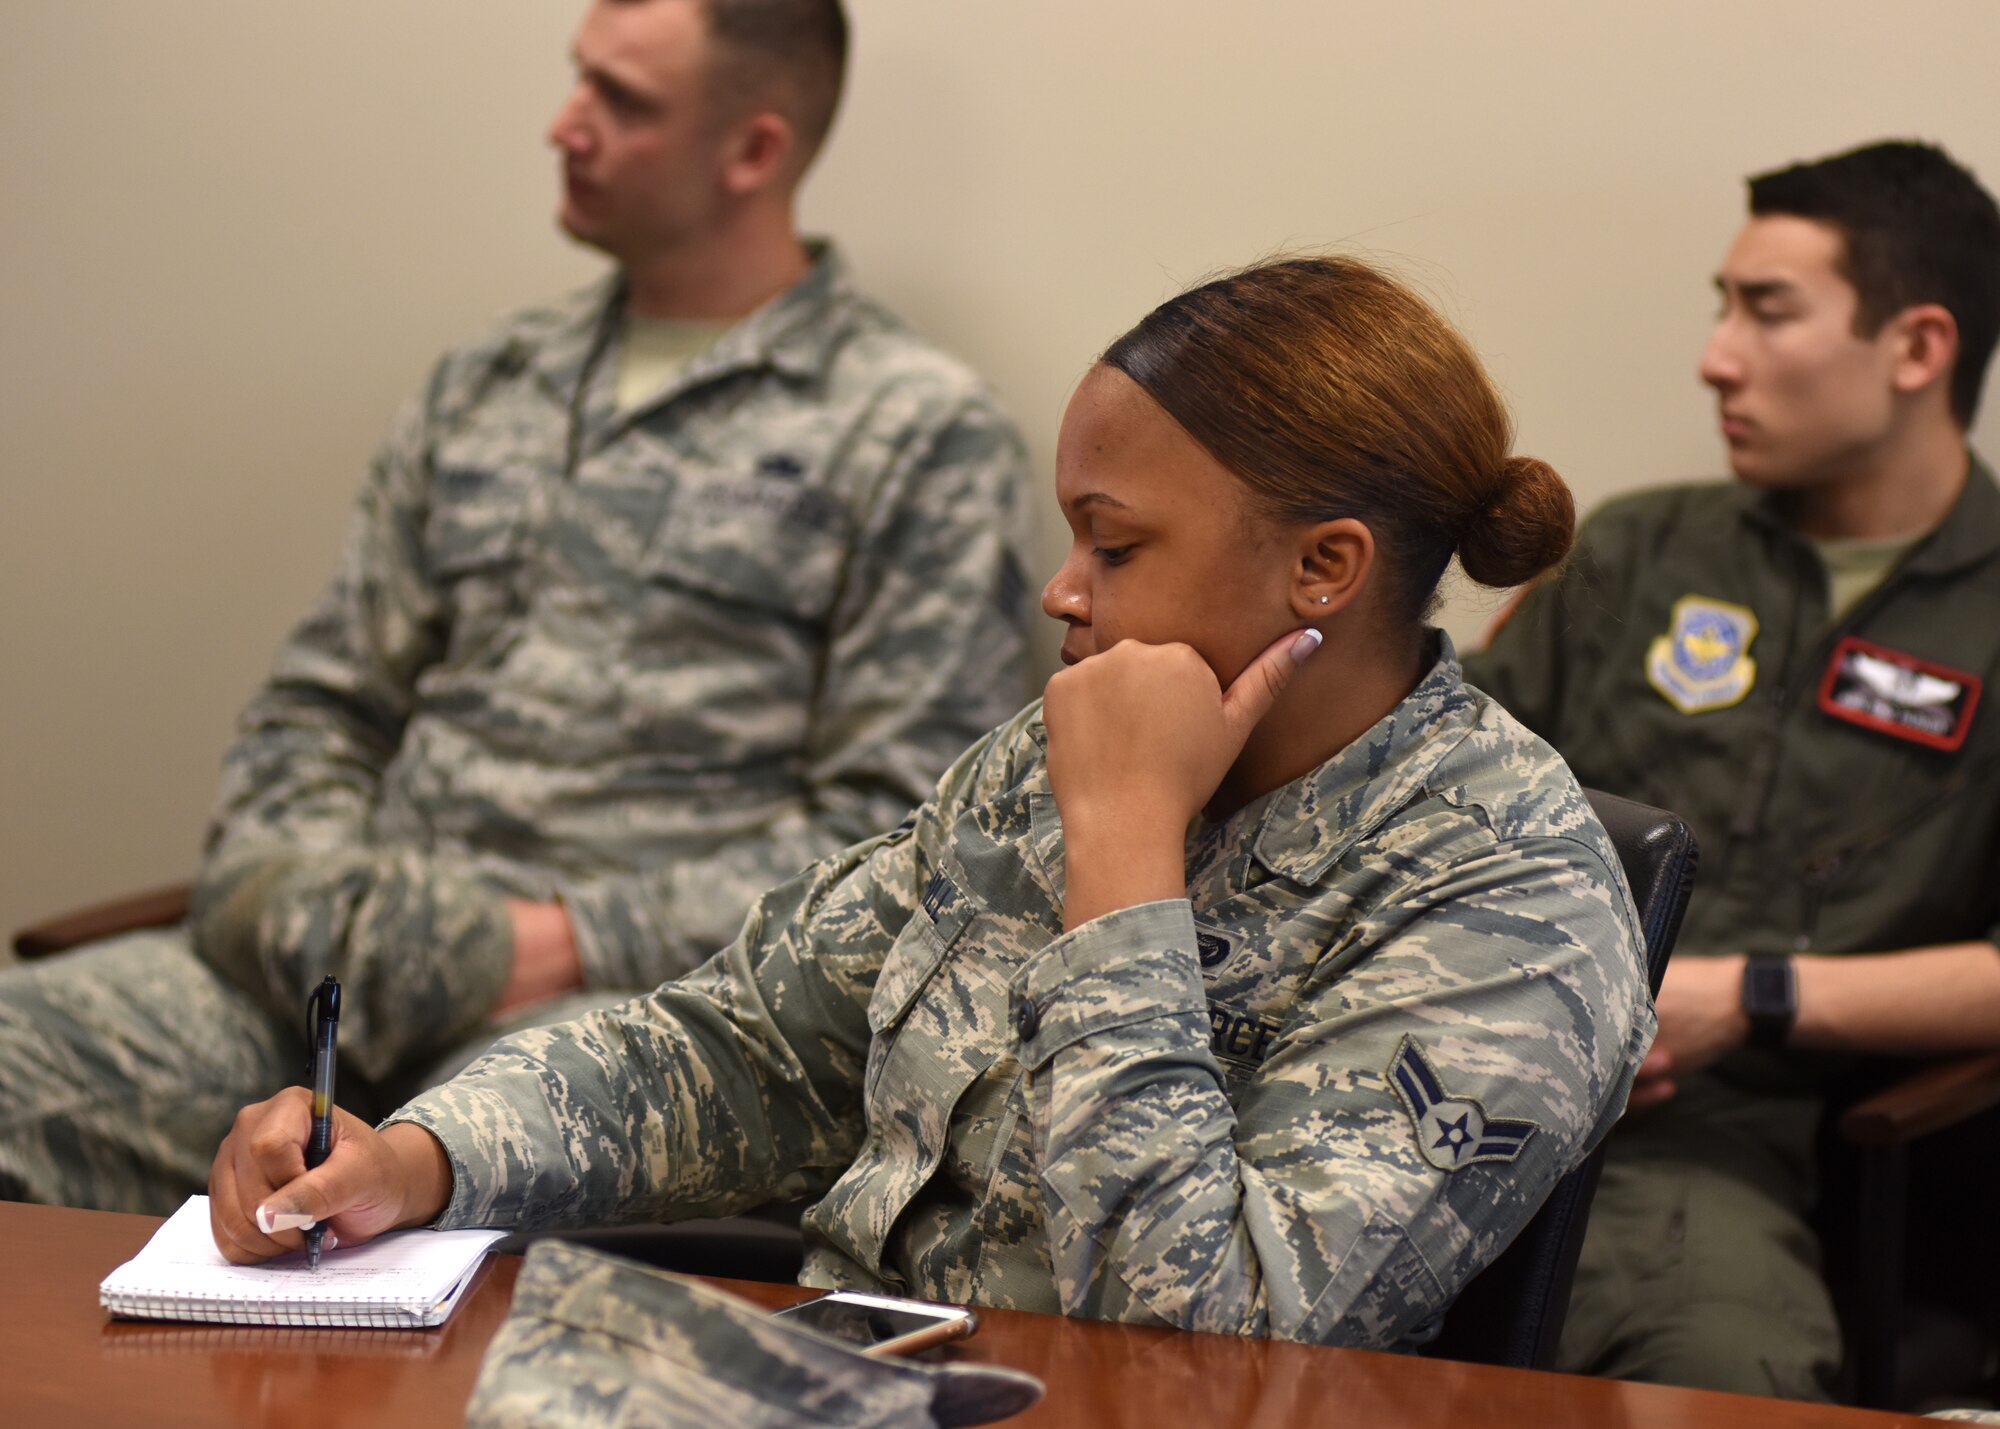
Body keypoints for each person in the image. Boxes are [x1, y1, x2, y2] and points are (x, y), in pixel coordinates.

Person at [207, 255, 1656, 1349]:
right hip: (843, 1372)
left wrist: (1129, 863)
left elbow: (1209, 1342)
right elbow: (752, 1048)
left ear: (1324, 569)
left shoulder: (1511, 895)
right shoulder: (1053, 753)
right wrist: (419, 1158)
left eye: (1114, 542)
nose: (1063, 592)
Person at [0, 0, 1032, 1215]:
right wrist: (303, 893)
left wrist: (546, 941)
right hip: (330, 975)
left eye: (621, 101)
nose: (563, 126)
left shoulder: (915, 433)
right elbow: (322, 704)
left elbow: (895, 840)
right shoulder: (490, 380)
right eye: (576, 82)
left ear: (752, 151)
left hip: (620, 1012)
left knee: (468, 1190)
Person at [1463, 140, 2000, 1399]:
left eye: (1767, 311)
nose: (1716, 356)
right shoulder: (1640, 551)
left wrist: (1743, 998)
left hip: (1701, 1133)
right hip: (1471, 1053)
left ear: (1916, 349)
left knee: (1715, 1371)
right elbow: (1432, 785)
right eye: (1722, 306)